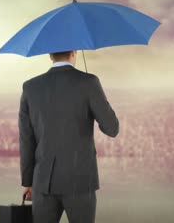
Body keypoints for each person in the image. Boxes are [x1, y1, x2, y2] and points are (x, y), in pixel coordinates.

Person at [18, 50, 119, 223]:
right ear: (74, 53)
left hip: (43, 182)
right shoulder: (89, 82)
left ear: (50, 55)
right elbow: (112, 128)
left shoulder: (30, 87)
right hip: (80, 181)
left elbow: (26, 140)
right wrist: (99, 98)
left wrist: (28, 182)